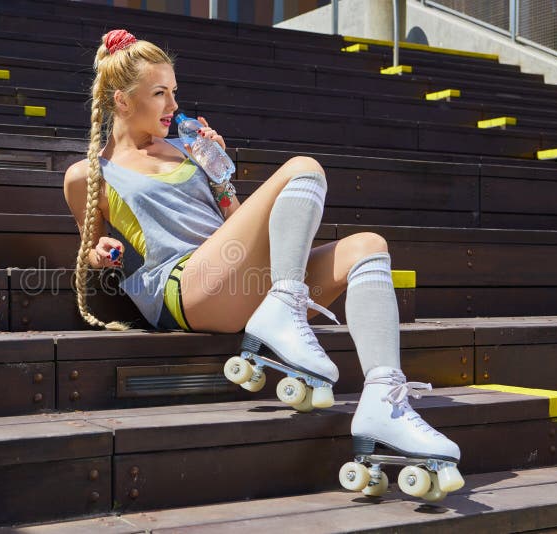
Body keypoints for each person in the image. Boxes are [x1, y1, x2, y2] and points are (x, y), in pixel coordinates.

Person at [63, 28, 462, 491]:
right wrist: (102, 253)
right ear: (123, 101)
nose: (173, 105)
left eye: (174, 92)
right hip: (185, 289)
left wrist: (220, 176)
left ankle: (384, 404)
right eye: (159, 93)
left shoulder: (188, 149)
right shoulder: (89, 174)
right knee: (302, 168)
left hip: (233, 277)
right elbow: (90, 249)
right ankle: (285, 312)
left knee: (368, 246)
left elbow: (234, 220)